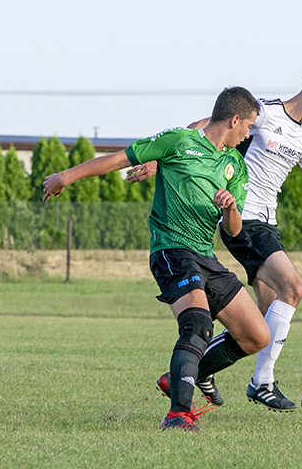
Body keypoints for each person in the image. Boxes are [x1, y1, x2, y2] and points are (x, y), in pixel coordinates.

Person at [128, 66, 302, 411]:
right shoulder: (265, 112)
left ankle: (198, 371)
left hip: (268, 223)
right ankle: (261, 383)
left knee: (262, 321)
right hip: (241, 216)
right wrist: (160, 162)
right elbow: (203, 132)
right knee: (293, 287)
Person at [43, 87, 270, 431]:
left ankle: (180, 375)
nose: (248, 135)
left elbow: (234, 231)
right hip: (172, 250)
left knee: (257, 335)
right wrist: (65, 177)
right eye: (249, 126)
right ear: (234, 119)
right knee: (197, 325)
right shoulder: (179, 141)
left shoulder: (235, 166)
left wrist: (231, 208)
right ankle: (178, 414)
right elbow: (120, 159)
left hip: (205, 256)